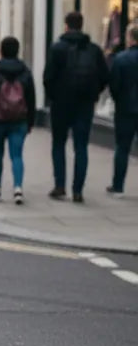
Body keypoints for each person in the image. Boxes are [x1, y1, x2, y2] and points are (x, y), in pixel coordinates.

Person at [43, 10, 109, 202]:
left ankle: (60, 185)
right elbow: (105, 76)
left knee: (58, 144)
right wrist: (93, 94)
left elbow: (48, 78)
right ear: (82, 25)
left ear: (66, 25)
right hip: (84, 104)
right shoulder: (94, 50)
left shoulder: (57, 48)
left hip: (61, 104)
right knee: (81, 147)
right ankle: (78, 190)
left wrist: (54, 96)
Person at [0, 36, 37, 204]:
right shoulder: (25, 72)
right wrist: (30, 121)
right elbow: (31, 99)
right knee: (17, 155)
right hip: (19, 120)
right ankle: (18, 188)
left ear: (1, 50)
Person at [107, 22, 138, 195]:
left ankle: (118, 186)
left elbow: (114, 85)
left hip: (125, 108)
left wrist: (119, 100)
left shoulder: (121, 59)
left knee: (122, 148)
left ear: (130, 38)